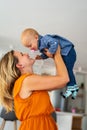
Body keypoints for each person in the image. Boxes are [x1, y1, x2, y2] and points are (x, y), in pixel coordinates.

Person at [0, 47, 69, 130]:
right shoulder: (26, 81)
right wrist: (56, 54)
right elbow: (64, 79)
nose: (26, 54)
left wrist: (55, 56)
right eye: (22, 54)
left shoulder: (29, 81)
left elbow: (60, 81)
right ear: (19, 65)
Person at [21, 28, 79, 99]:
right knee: (67, 70)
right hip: (66, 53)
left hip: (68, 52)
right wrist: (41, 57)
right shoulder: (41, 47)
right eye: (28, 47)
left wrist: (51, 52)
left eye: (30, 45)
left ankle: (71, 87)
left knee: (67, 70)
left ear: (36, 37)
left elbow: (54, 43)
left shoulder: (45, 39)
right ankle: (73, 87)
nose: (31, 49)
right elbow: (47, 53)